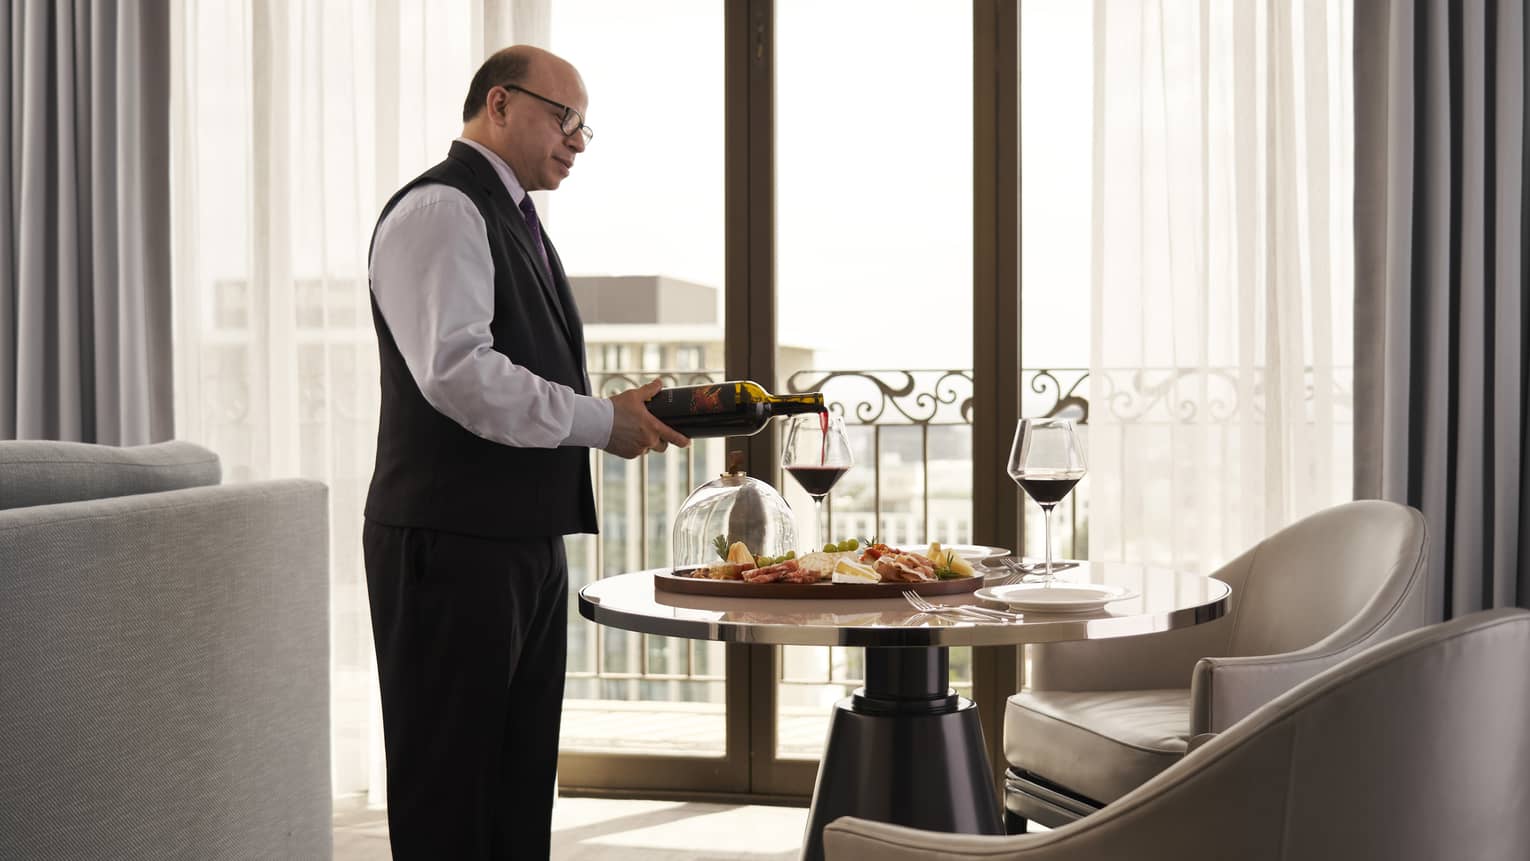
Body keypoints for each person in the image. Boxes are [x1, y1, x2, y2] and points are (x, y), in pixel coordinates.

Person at [362, 45, 687, 859]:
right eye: (562, 117)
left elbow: (514, 360)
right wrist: (596, 421)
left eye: (585, 127)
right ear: (498, 104)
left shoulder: (509, 213)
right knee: (452, 787)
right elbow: (461, 375)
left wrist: (616, 413)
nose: (577, 140)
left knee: (514, 780)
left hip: (516, 538)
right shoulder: (442, 208)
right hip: (451, 539)